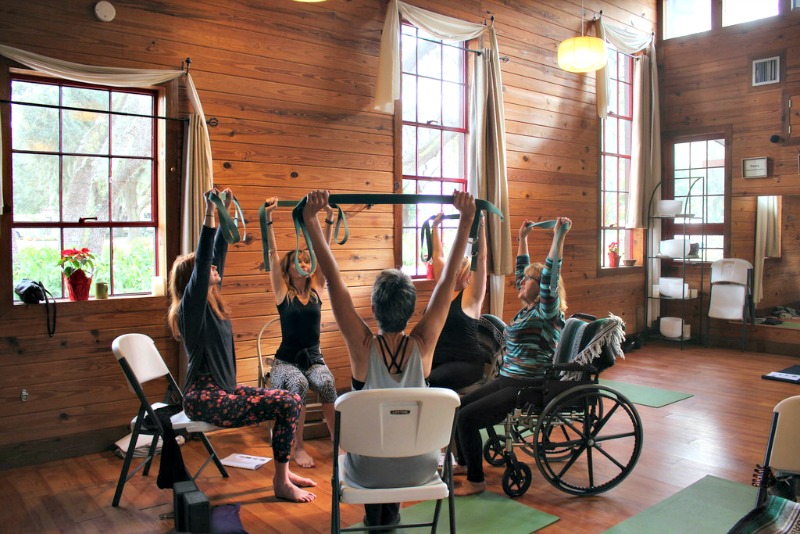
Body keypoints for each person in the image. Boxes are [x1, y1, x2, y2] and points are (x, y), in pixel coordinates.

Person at [302, 189, 476, 530]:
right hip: (421, 467)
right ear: (412, 309)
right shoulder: (423, 345)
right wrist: (466, 219)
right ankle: (388, 519)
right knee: (396, 448)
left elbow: (334, 283)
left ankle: (378, 520)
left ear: (373, 309)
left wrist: (311, 219)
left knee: (377, 458)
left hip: (368, 471)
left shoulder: (362, 347)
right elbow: (445, 283)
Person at [167, 187, 316, 503]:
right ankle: (281, 481)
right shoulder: (191, 310)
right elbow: (207, 253)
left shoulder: (212, 301)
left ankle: (283, 473)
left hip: (225, 389)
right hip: (204, 396)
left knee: (289, 399)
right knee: (288, 404)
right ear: (193, 279)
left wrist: (224, 213)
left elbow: (217, 251)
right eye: (207, 267)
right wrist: (210, 212)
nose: (215, 267)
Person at [453, 217, 571, 497]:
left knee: (468, 418)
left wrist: (558, 237)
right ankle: (465, 462)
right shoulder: (528, 308)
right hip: (508, 379)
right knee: (457, 407)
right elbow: (521, 270)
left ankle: (476, 480)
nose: (521, 281)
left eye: (529, 279)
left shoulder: (547, 312)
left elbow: (551, 274)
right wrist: (522, 237)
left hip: (527, 386)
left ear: (541, 287)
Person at [262, 196, 338, 468]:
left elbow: (324, 251)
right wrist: (268, 219)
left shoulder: (317, 289)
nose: (305, 265)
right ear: (289, 269)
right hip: (285, 362)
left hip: (314, 359)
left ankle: (337, 442)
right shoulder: (283, 293)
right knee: (300, 385)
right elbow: (272, 256)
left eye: (307, 262)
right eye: (299, 262)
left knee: (328, 385)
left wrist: (329, 219)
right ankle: (299, 447)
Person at [426, 211, 488, 391]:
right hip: (438, 358)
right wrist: (435, 227)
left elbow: (482, 259)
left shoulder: (471, 298)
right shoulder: (443, 289)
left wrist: (481, 226)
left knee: (432, 381)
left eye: (465, 271)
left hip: (465, 362)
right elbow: (437, 256)